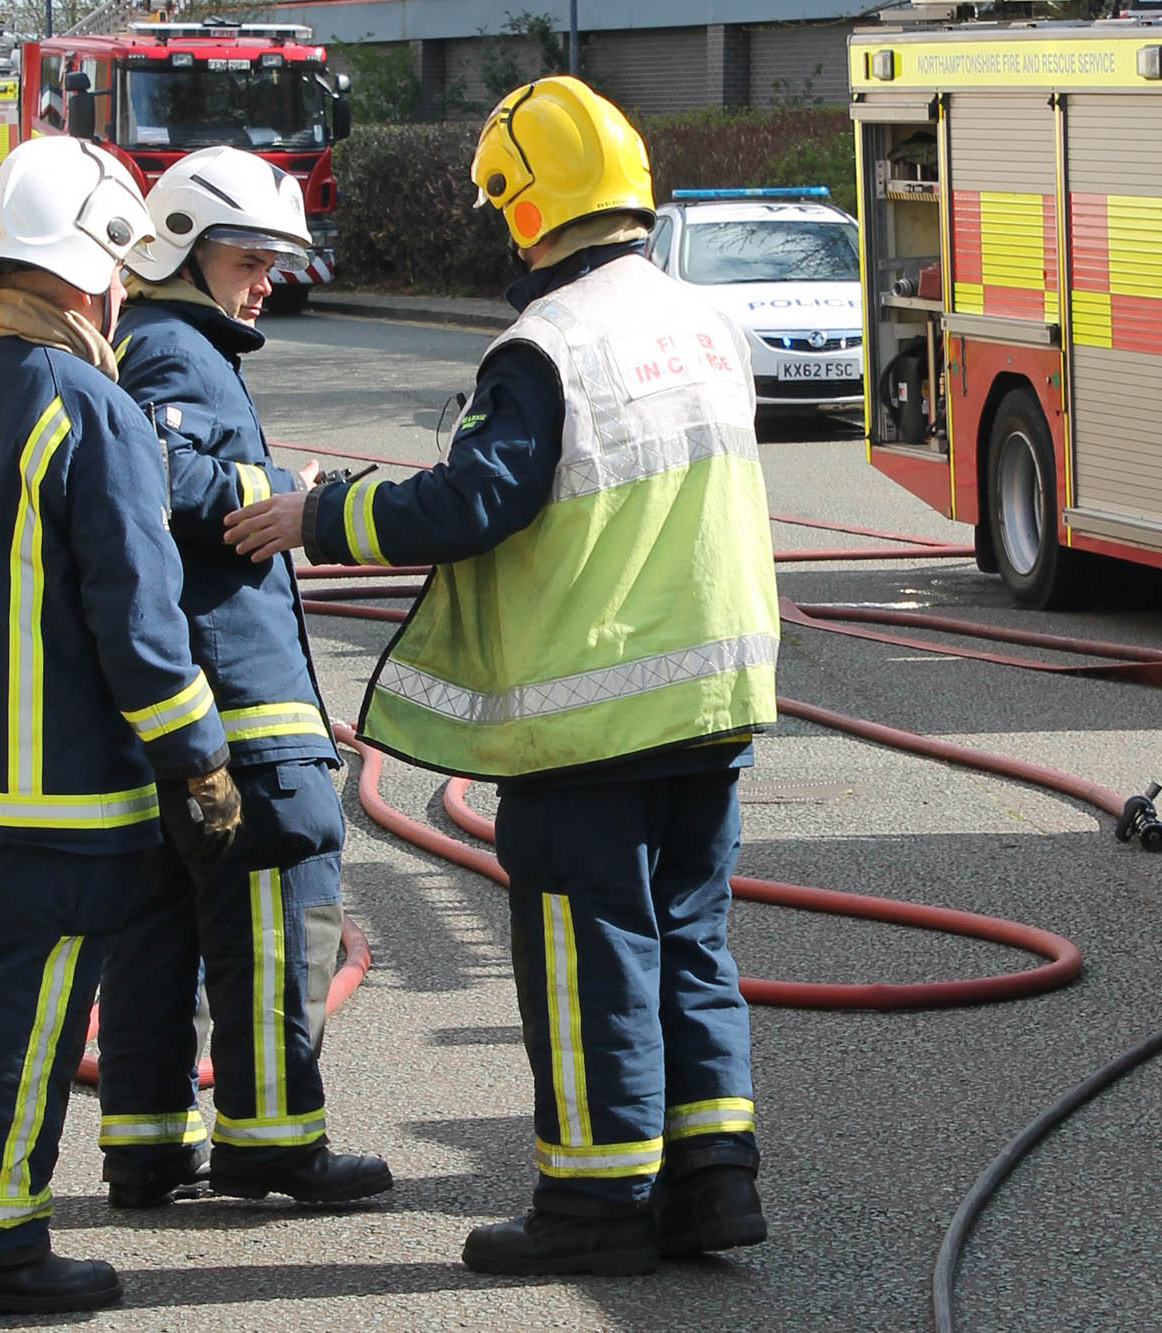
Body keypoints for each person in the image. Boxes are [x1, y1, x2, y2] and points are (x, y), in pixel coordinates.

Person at [224, 75, 781, 1275]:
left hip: (592, 714)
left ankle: (592, 1207)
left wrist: (320, 515)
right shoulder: (704, 323)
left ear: (526, 208)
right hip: (713, 700)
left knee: (592, 956)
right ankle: (710, 1180)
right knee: (687, 936)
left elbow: (473, 500)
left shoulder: (549, 344)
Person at [0, 135, 243, 1316]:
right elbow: (139, 618)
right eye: (119, 268)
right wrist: (198, 762)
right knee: (24, 1010)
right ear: (91, 270)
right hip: (62, 799)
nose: (123, 290)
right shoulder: (92, 408)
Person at [94, 145, 391, 1210]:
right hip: (240, 710)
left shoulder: (160, 341)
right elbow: (158, 471)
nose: (266, 282)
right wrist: (275, 486)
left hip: (180, 709)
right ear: (181, 249)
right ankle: (272, 1145)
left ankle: (147, 1146)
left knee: (159, 927)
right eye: (248, 261)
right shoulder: (175, 348)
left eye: (273, 263)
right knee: (279, 899)